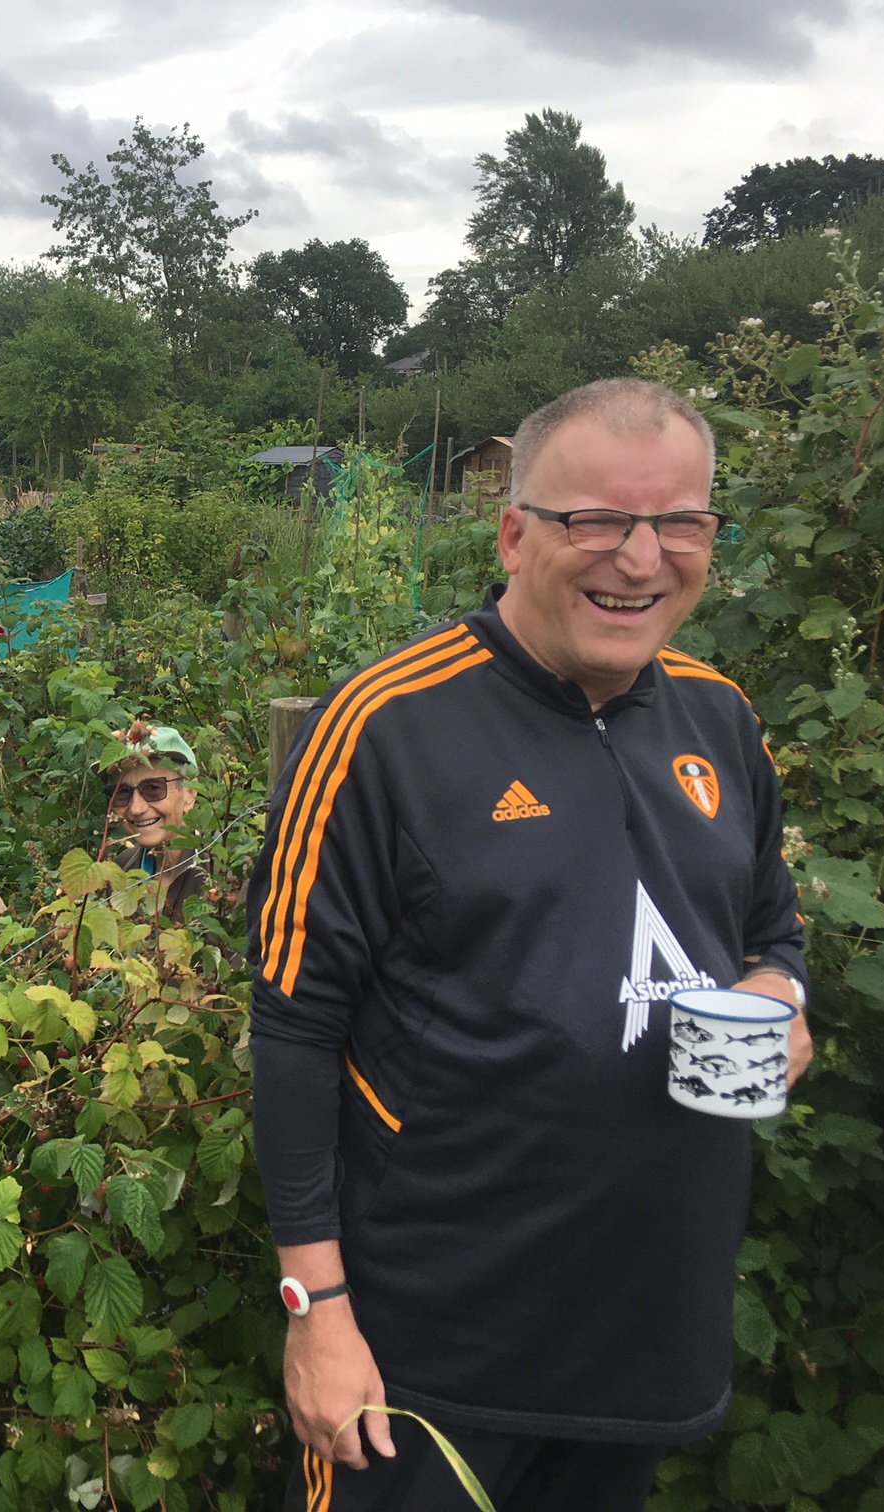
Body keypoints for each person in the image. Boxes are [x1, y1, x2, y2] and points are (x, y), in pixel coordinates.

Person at [245, 378, 813, 1512]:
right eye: (596, 520)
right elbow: (295, 1029)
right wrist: (319, 1316)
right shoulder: (386, 728)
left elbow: (770, 934)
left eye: (681, 523)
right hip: (429, 1354)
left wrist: (778, 1003)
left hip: (646, 1334)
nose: (641, 559)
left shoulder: (720, 719)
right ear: (514, 532)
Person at [101, 722, 209, 920]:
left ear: (189, 795)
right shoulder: (117, 874)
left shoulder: (225, 873)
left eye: (153, 789)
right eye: (122, 793)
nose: (136, 808)